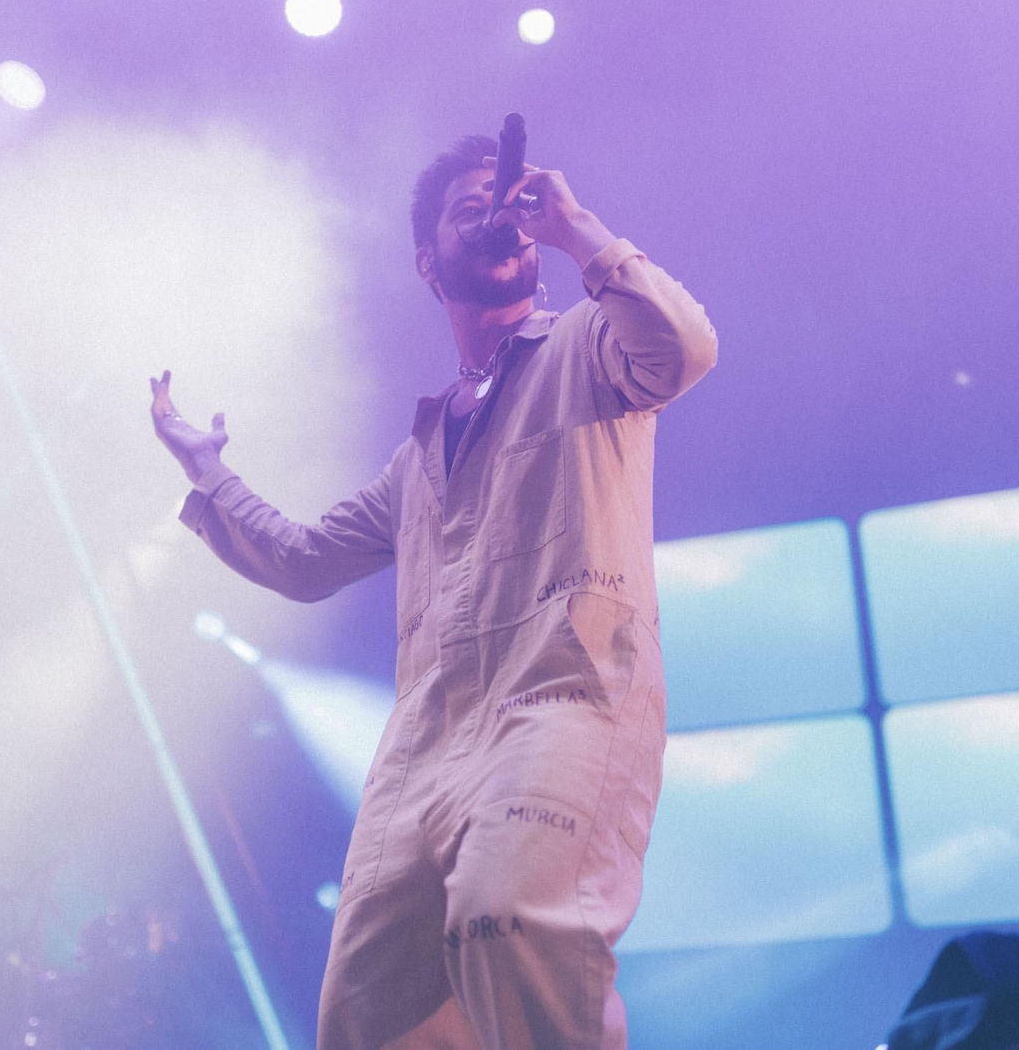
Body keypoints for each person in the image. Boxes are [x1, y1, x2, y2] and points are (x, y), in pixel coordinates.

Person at [151, 133, 716, 1049]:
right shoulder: (416, 462)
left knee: (513, 917)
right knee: (366, 1013)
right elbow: (303, 559)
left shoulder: (587, 345)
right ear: (428, 261)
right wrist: (210, 475)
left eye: (511, 202)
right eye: (470, 208)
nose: (499, 216)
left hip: (560, 693)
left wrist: (578, 231)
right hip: (428, 743)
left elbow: (685, 347)